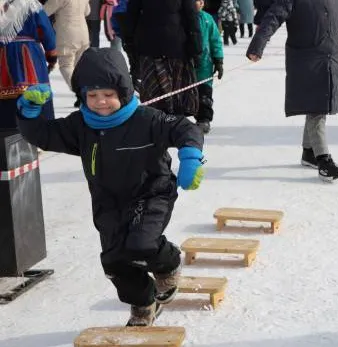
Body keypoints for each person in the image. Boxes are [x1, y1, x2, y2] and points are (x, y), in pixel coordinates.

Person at [16, 48, 205, 326]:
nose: (100, 102)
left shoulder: (146, 119)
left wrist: (190, 157)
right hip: (108, 202)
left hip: (151, 193)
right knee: (114, 261)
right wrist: (29, 112)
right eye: (92, 96)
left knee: (141, 243)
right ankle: (143, 303)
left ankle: (169, 263)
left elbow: (184, 128)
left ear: (123, 92)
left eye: (107, 94)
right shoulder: (80, 125)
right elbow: (43, 135)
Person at [246, 0, 338, 182]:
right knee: (316, 109)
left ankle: (309, 152)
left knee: (319, 106)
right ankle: (323, 160)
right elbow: (272, 18)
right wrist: (257, 46)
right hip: (306, 61)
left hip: (331, 59)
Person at [126, 0, 202, 116]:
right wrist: (196, 48)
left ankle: (159, 122)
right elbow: (192, 16)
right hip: (174, 46)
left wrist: (130, 43)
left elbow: (131, 16)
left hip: (153, 47)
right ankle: (173, 122)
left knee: (154, 95)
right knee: (176, 94)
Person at [0, 0, 57, 129]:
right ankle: (39, 132)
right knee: (36, 91)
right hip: (30, 55)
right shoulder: (31, 5)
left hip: (3, 55)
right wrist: (52, 56)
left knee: (6, 94)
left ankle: (7, 131)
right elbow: (47, 32)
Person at [43, 0, 91, 87]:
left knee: (66, 65)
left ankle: (80, 91)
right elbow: (87, 12)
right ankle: (86, 89)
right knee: (79, 66)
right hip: (83, 34)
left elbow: (45, 11)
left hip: (68, 35)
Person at [194, 0, 223, 133]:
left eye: (200, 1)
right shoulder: (182, 17)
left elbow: (215, 39)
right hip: (187, 64)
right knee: (186, 93)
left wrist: (218, 60)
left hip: (205, 64)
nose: (198, 3)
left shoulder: (207, 19)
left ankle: (204, 119)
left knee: (205, 93)